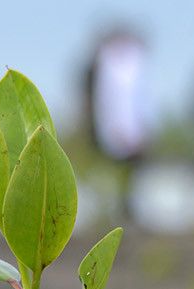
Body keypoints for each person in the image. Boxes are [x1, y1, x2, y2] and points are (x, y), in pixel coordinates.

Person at [83, 26, 155, 222]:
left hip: (133, 133)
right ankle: (104, 213)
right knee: (106, 174)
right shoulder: (102, 66)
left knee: (130, 178)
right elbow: (103, 102)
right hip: (105, 130)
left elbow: (141, 101)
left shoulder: (135, 66)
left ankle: (125, 213)